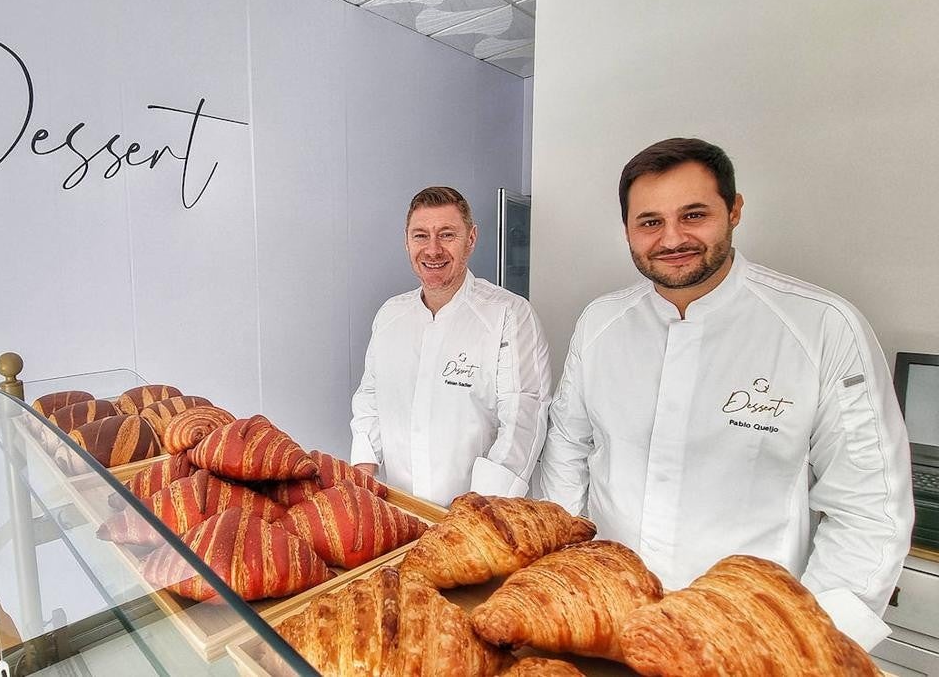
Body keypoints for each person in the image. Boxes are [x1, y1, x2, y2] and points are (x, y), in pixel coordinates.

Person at [538, 138, 913, 649]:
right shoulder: (601, 323)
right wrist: (556, 578)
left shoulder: (822, 327)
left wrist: (812, 643)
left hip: (748, 633)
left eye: (694, 214)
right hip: (607, 614)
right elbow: (567, 453)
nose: (672, 238)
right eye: (650, 222)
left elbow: (870, 509)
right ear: (626, 229)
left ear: (734, 211)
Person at [349, 186, 552, 506]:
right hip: (398, 509)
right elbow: (370, 399)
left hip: (478, 517)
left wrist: (476, 512)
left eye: (447, 235)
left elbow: (522, 420)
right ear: (406, 241)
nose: (432, 250)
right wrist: (362, 477)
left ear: (471, 239)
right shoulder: (390, 315)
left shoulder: (508, 315)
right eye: (420, 236)